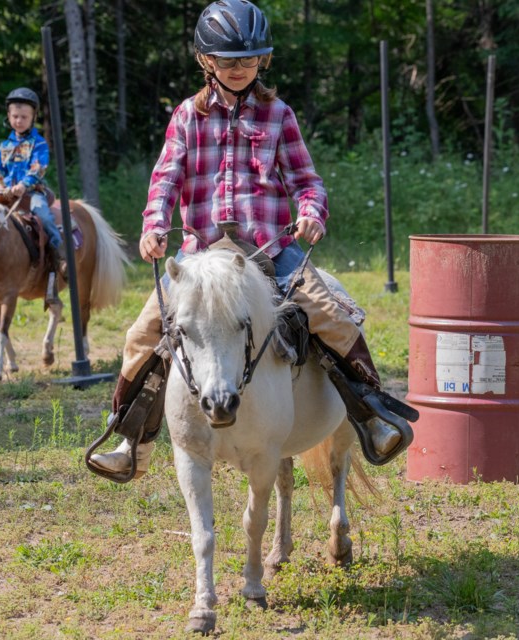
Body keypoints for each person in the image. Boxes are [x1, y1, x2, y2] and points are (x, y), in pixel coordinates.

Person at [89, 0, 412, 480]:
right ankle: (130, 438)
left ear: (263, 60)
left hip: (269, 250)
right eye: (227, 60)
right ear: (206, 61)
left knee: (332, 316)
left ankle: (370, 414)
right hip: (200, 258)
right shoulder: (186, 117)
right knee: (142, 334)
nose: (238, 68)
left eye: (248, 59)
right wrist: (154, 225)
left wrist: (311, 212)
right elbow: (165, 179)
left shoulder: (278, 115)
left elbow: (306, 180)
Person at [0, 87, 65, 293]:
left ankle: (58, 254)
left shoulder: (39, 143)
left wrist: (23, 184)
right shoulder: (4, 146)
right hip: (5, 193)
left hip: (31, 192)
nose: (19, 121)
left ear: (33, 117)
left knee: (43, 214)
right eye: (15, 116)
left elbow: (38, 167)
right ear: (8, 116)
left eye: (24, 117)